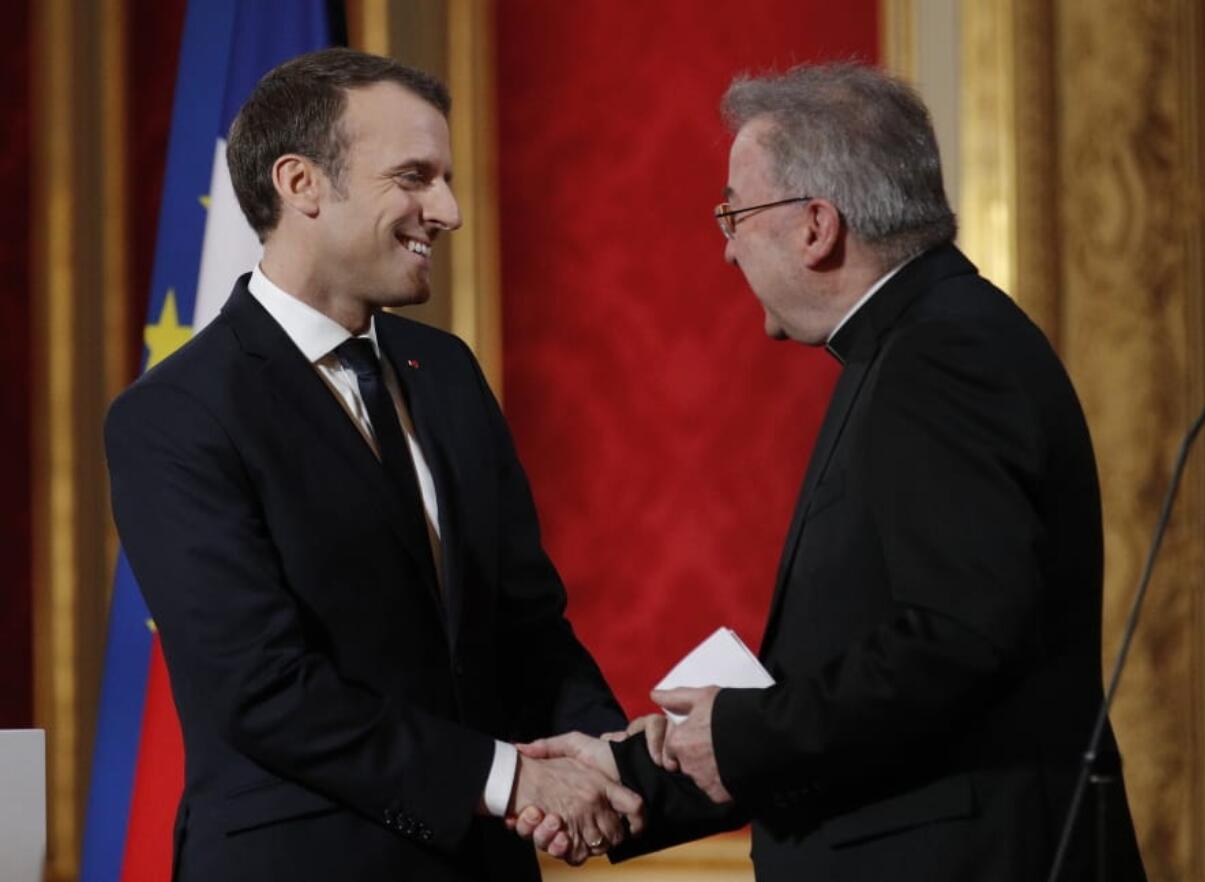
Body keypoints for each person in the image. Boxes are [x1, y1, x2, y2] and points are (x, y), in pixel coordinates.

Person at [516, 63, 1147, 881]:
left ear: (816, 226)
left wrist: (735, 735)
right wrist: (634, 773)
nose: (726, 247)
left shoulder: (939, 356)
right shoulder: (915, 344)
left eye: (734, 213)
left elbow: (956, 641)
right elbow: (859, 672)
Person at [105, 48, 641, 882]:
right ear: (301, 184)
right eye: (415, 177)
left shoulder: (448, 372)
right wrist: (511, 781)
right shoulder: (174, 415)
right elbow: (265, 688)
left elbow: (524, 623)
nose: (450, 210)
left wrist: (603, 759)